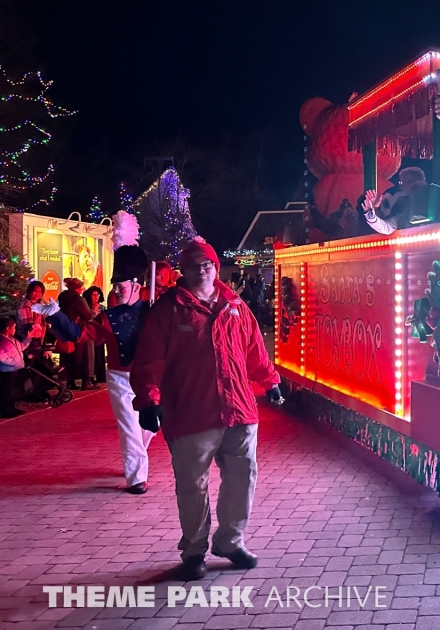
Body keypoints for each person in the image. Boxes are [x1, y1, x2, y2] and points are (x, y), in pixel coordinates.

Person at [131, 237, 283, 581]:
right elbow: (150, 359)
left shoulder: (234, 304)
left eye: (208, 265)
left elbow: (253, 348)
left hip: (238, 409)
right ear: (183, 271)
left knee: (242, 478)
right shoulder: (168, 310)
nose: (202, 271)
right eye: (195, 266)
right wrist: (148, 399)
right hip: (191, 411)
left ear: (216, 268)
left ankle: (230, 541)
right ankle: (194, 550)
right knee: (192, 485)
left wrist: (270, 381)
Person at [35, 240, 157, 494]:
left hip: (152, 379)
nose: (116, 290)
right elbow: (78, 334)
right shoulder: (108, 317)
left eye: (121, 285)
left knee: (150, 426)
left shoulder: (156, 311)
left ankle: (136, 456)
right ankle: (137, 477)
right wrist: (55, 314)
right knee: (129, 427)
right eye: (115, 285)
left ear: (136, 284)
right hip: (121, 379)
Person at [361, 167, 429, 235]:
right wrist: (371, 213)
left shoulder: (436, 200)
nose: (401, 187)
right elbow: (387, 227)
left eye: (403, 182)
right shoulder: (405, 211)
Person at [57, 277, 96, 390]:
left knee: (69, 355)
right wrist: (94, 311)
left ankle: (70, 381)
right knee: (85, 356)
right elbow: (88, 315)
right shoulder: (78, 299)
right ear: (78, 288)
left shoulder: (63, 298)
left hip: (67, 329)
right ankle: (86, 381)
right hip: (80, 330)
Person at [0, 317, 31, 417]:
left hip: (14, 369)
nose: (15, 329)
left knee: (12, 390)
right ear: (8, 328)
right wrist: (15, 362)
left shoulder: (12, 339)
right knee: (6, 391)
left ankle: (11, 409)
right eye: (14, 327)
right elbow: (2, 357)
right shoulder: (2, 341)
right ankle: (7, 411)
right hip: (7, 370)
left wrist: (28, 338)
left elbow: (21, 347)